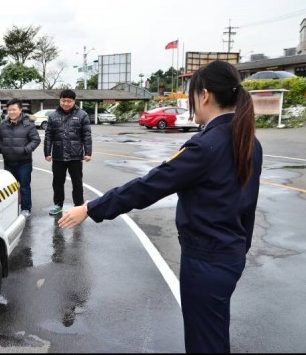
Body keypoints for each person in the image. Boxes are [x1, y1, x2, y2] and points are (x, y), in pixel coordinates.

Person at [58, 60, 263, 353]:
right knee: (214, 333)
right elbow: (249, 207)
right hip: (230, 256)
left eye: (193, 96)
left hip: (205, 260)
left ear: (204, 95)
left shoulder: (206, 146)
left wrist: (91, 208)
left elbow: (148, 186)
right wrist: (239, 250)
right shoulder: (249, 141)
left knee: (204, 341)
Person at [44, 89, 92, 215]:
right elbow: (49, 136)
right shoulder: (53, 116)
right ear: (60, 100)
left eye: (69, 101)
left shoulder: (82, 115)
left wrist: (88, 152)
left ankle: (78, 205)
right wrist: (47, 153)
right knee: (57, 182)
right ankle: (58, 204)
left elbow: (86, 135)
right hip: (58, 156)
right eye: (63, 101)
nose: (66, 103)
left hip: (75, 156)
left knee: (77, 182)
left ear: (74, 101)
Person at [0, 98, 41, 218]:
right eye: (9, 110)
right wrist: (2, 149)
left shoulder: (28, 125)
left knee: (24, 187)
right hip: (8, 162)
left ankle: (26, 208)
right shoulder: (3, 125)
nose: (11, 112)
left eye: (14, 109)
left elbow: (36, 140)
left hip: (24, 163)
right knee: (9, 188)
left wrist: (25, 150)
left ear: (20, 110)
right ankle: (10, 208)